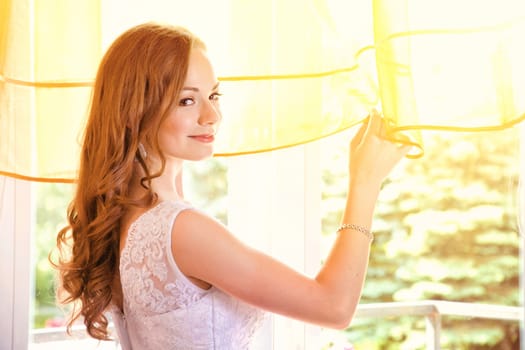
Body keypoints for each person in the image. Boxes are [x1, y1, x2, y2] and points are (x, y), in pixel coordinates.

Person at [52, 22, 410, 349]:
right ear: (136, 111)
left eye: (215, 96)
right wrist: (365, 183)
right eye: (187, 100)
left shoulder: (123, 218)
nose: (212, 116)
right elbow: (334, 307)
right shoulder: (178, 229)